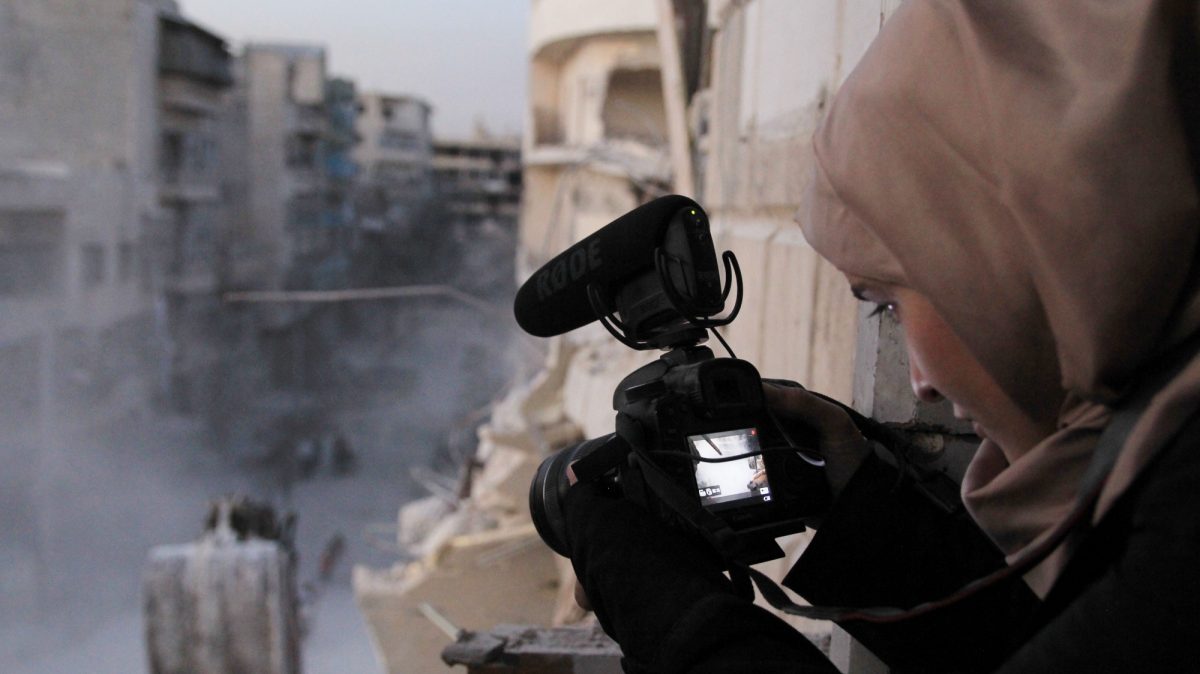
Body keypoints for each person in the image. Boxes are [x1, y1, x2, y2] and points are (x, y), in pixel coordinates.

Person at [561, 1, 1200, 672]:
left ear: (1017, 256)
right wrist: (860, 502)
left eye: (888, 305)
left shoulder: (1181, 536)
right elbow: (1040, 638)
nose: (920, 381)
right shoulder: (1157, 461)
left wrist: (672, 616)